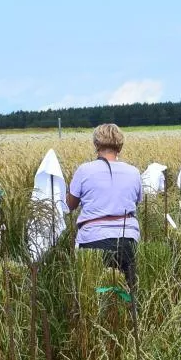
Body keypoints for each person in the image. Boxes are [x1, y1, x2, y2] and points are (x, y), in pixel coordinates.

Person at [66, 122, 144, 286]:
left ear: (96, 145)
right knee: (128, 292)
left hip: (93, 240)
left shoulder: (84, 170)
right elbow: (136, 202)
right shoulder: (133, 172)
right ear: (120, 146)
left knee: (93, 293)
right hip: (127, 239)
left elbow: (70, 205)